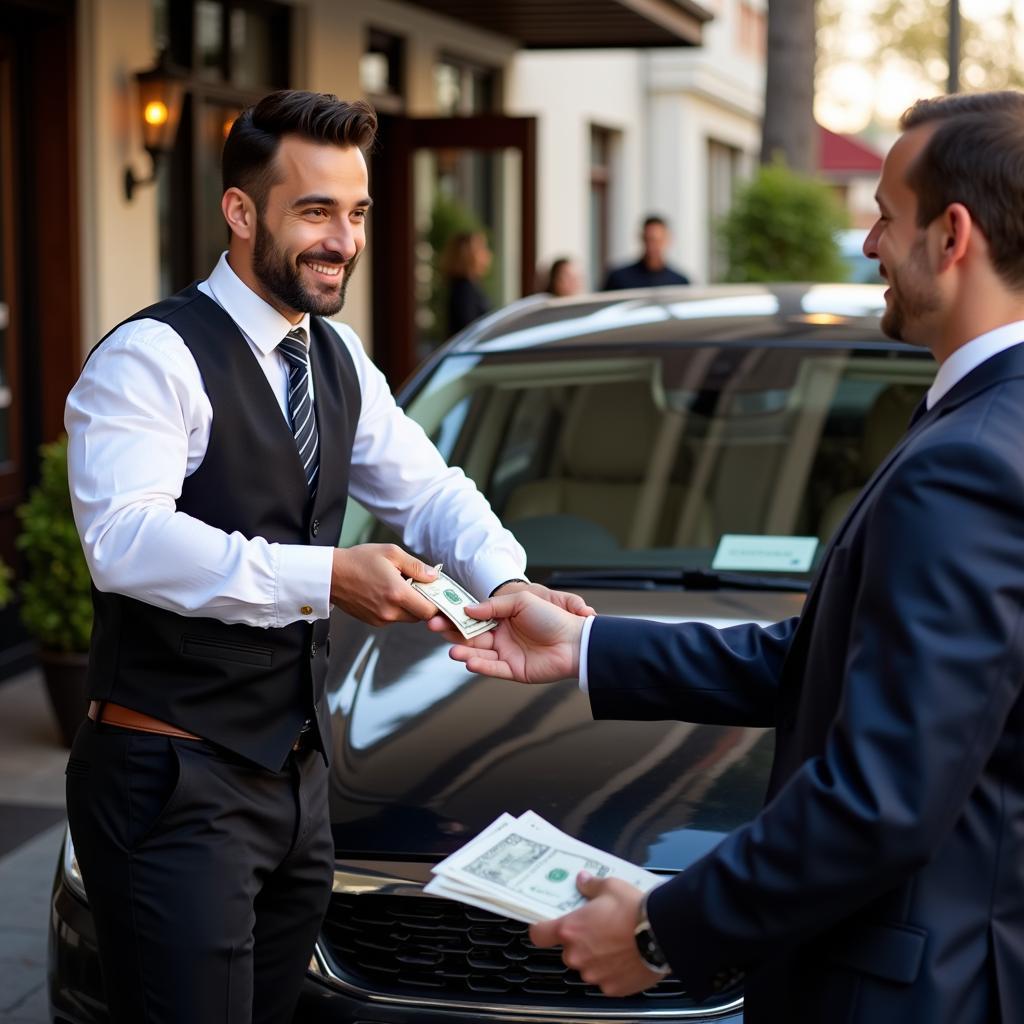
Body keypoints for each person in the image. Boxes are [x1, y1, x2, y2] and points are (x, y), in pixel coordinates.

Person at [439, 91, 1024, 1023]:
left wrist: (660, 931)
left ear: (953, 237)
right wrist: (587, 648)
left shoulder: (964, 461)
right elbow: (826, 660)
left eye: (884, 215)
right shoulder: (987, 425)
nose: (871, 243)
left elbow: (881, 796)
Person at [64, 90, 590, 1024]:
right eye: (314, 211)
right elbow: (124, 540)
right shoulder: (152, 357)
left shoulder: (339, 357)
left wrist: (503, 579)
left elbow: (428, 491)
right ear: (240, 212)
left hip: (298, 781)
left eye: (356, 214)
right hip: (170, 782)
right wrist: (328, 579)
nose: (342, 240)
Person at [602, 215, 690, 290]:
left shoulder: (679, 282)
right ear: (642, 239)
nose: (653, 246)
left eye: (658, 240)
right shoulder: (619, 279)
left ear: (667, 240)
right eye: (649, 240)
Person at [441, 229, 492, 335]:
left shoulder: (465, 286)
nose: (487, 255)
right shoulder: (464, 290)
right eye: (482, 249)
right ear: (469, 255)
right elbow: (469, 330)